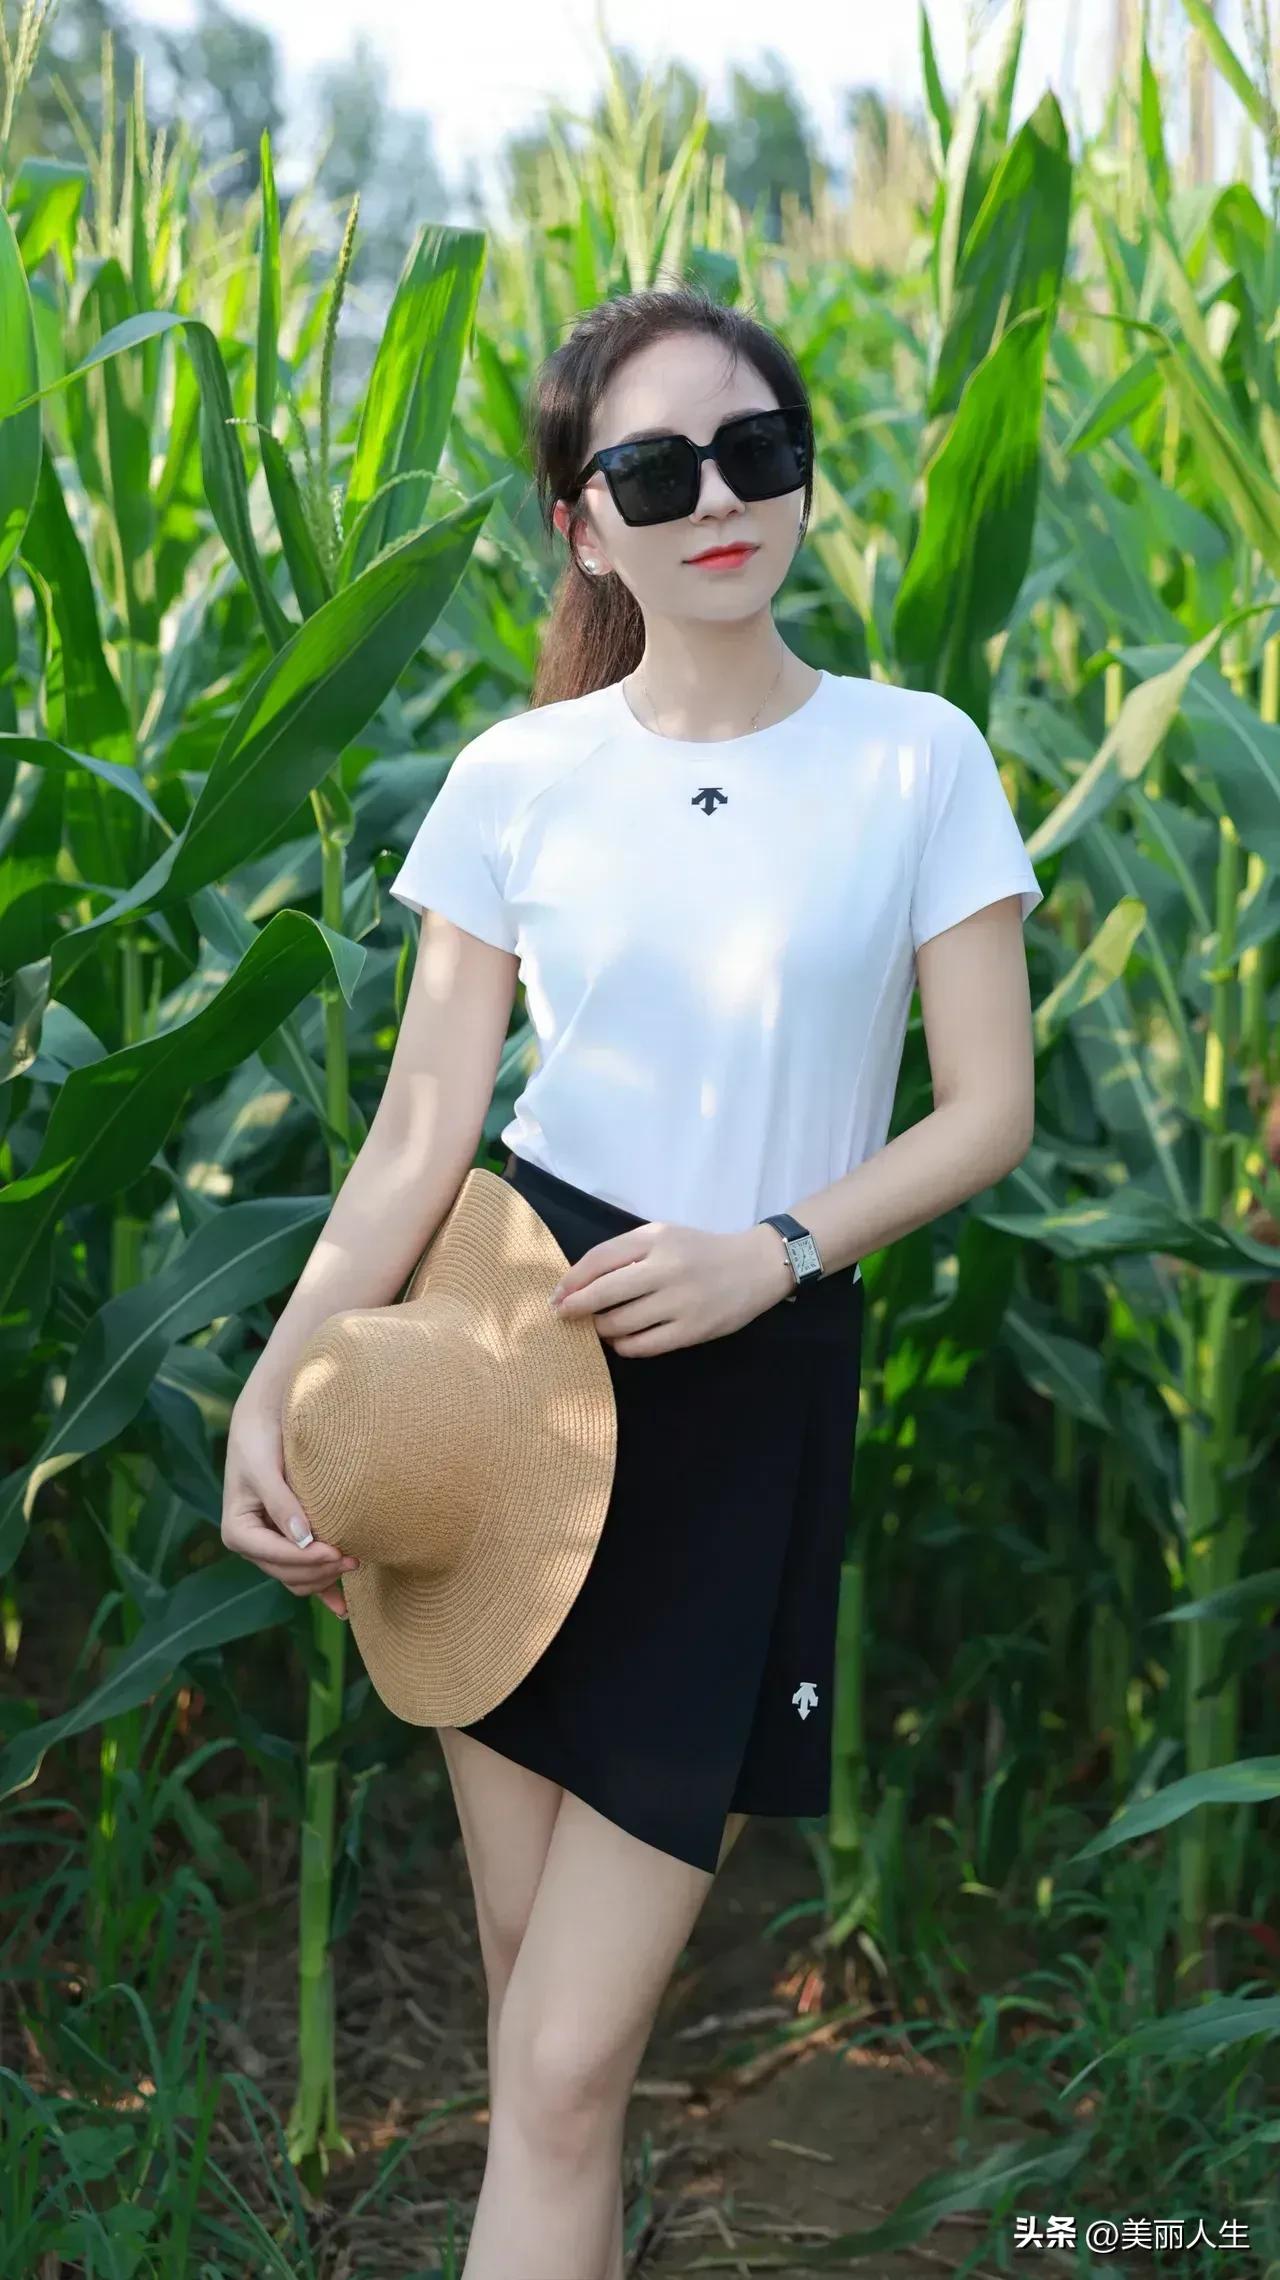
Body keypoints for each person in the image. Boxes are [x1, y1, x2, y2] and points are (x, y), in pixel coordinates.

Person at [221, 282, 1043, 2280]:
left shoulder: (915, 760)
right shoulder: (517, 777)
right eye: (656, 474)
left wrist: (777, 1251)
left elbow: (988, 1111)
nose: (718, 503)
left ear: (805, 473)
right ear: (584, 526)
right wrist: (273, 1387)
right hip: (503, 1376)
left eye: (757, 453)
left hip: (748, 1377)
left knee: (570, 2059)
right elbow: (422, 1131)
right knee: (535, 2020)